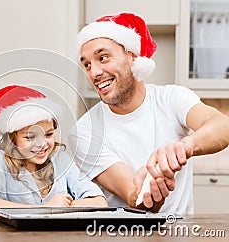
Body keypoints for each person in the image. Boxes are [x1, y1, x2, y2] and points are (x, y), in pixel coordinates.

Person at [69, 13, 229, 214]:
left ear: (132, 57)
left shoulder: (172, 98)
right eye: (87, 65)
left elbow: (222, 125)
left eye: (103, 58)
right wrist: (149, 193)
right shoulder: (84, 132)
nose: (94, 73)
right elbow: (133, 195)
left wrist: (184, 147)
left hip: (180, 231)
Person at [0, 85, 107, 217]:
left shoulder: (61, 160)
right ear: (12, 139)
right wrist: (44, 209)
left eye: (48, 135)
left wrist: (61, 208)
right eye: (30, 137)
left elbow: (99, 201)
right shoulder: (0, 161)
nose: (42, 144)